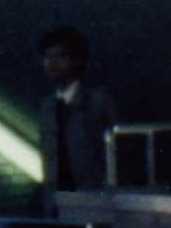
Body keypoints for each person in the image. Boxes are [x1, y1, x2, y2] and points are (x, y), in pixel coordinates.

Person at [30, 25, 122, 193]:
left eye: (60, 56)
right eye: (47, 57)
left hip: (93, 197)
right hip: (56, 199)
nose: (52, 63)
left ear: (76, 60)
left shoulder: (98, 102)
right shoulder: (46, 107)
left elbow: (114, 155)